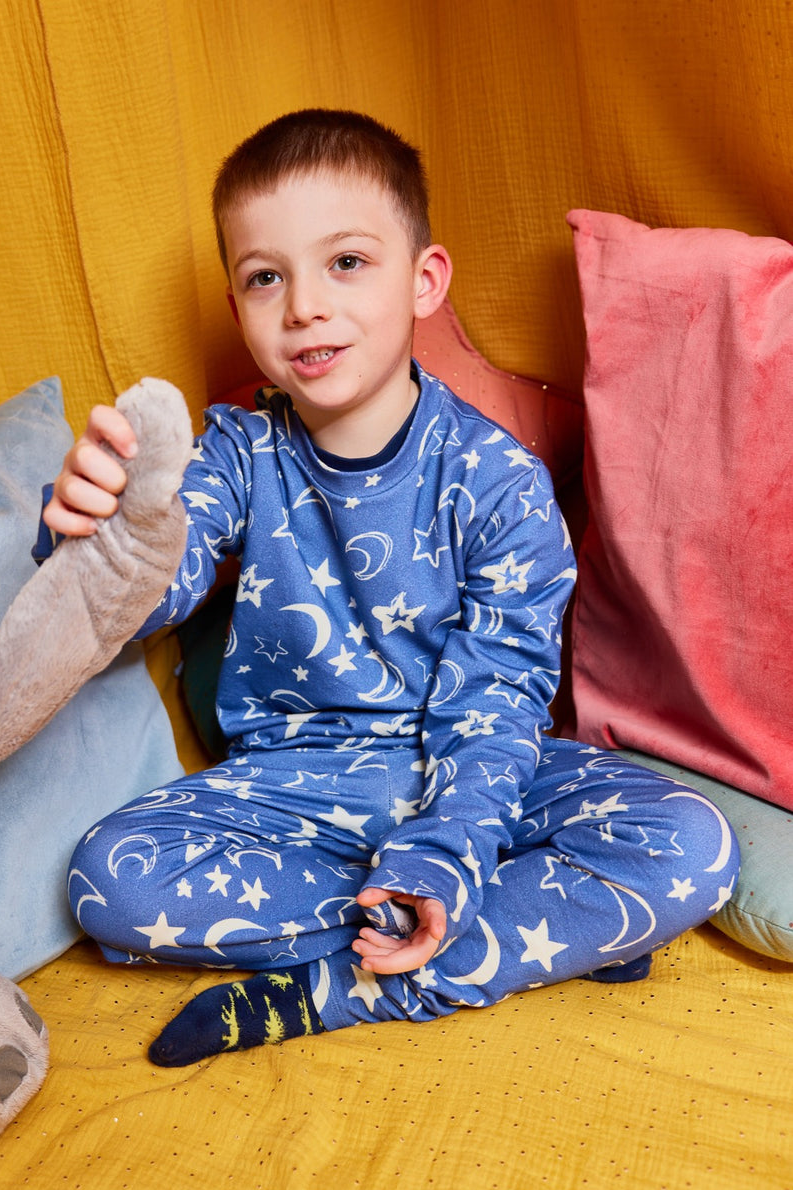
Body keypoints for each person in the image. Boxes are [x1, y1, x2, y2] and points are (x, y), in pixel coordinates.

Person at [44, 109, 738, 1067]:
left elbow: (498, 704)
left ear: (424, 280)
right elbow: (153, 586)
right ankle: (518, 936)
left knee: (692, 843)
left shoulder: (499, 482)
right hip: (296, 789)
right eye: (264, 277)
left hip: (474, 776)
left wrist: (443, 856)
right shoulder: (239, 451)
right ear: (239, 301)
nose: (303, 308)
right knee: (105, 885)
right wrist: (101, 527)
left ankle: (344, 988)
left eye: (346, 263)